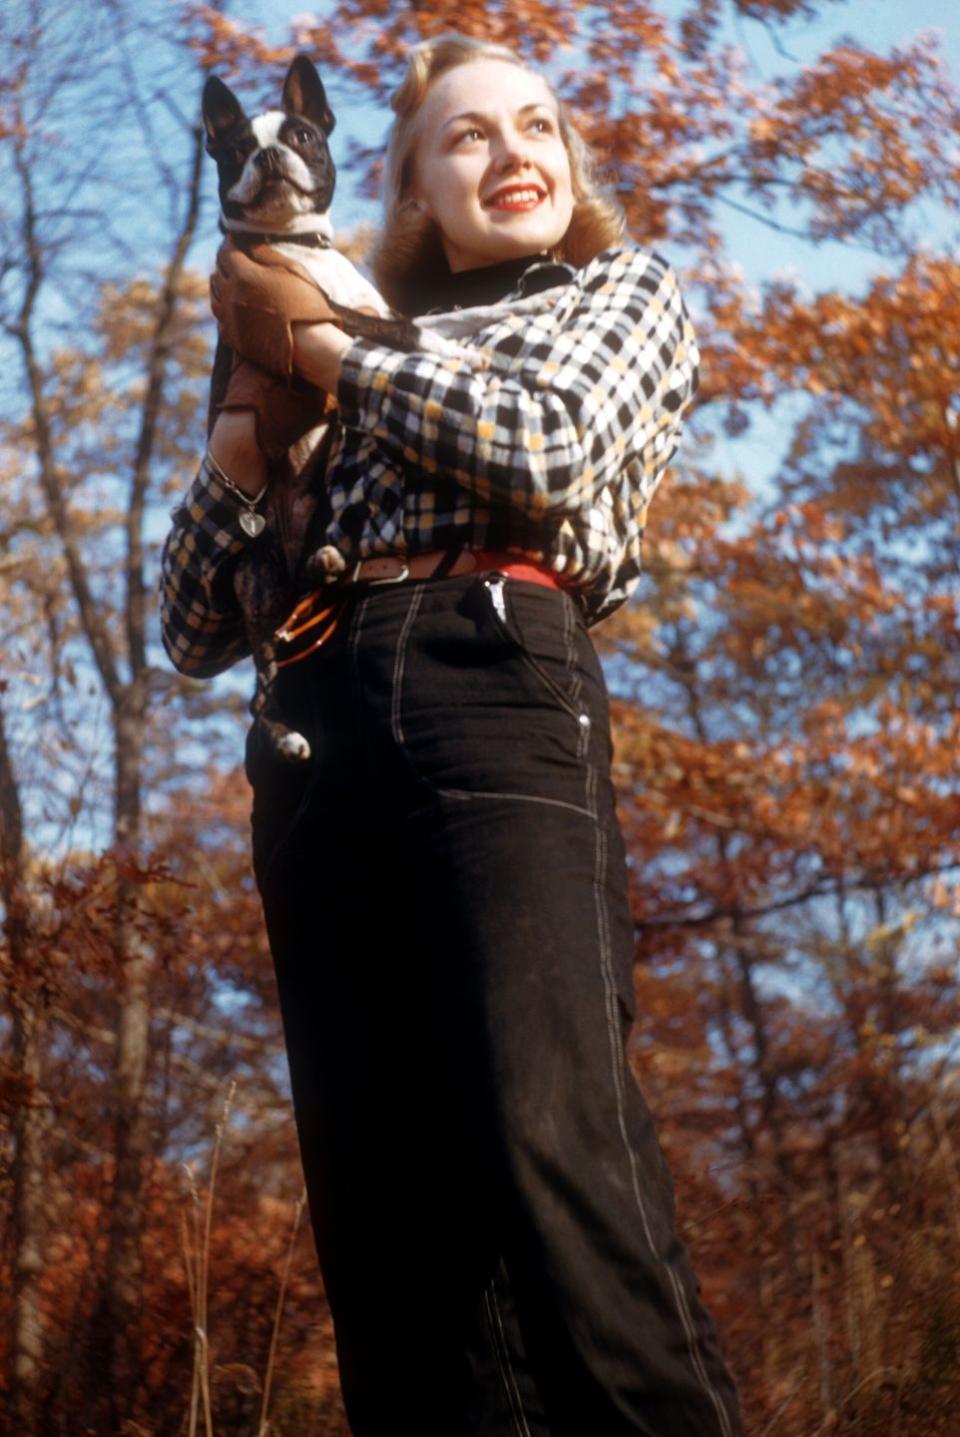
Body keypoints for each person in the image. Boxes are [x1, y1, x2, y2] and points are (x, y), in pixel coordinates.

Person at [160, 32, 744, 1437]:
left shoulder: (617, 294)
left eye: (538, 123)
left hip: (495, 676)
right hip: (306, 730)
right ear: (414, 187)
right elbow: (189, 625)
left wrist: (321, 355)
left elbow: (542, 446)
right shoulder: (335, 327)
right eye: (469, 135)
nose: (515, 148)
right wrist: (245, 442)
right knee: (386, 1221)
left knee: (551, 1142)